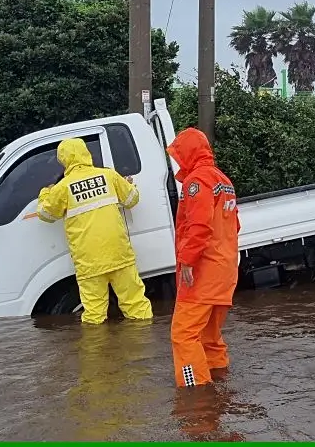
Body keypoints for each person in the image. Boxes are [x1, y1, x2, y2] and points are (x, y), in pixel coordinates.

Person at [36, 137, 153, 325]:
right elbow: (132, 199)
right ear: (86, 153)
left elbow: (45, 215)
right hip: (119, 254)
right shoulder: (109, 176)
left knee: (94, 316)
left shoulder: (62, 188)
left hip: (89, 261)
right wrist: (129, 184)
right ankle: (147, 349)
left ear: (64, 160)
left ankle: (95, 352)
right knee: (136, 305)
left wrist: (45, 193)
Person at [166, 127, 240, 389]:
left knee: (183, 334)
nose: (176, 160)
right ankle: (219, 382)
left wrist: (187, 260)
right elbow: (234, 227)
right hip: (224, 271)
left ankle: (195, 394)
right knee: (209, 336)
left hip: (202, 272)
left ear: (188, 154)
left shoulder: (196, 182)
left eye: (178, 155)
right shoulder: (223, 180)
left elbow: (199, 226)